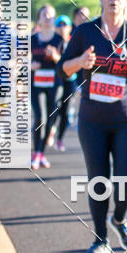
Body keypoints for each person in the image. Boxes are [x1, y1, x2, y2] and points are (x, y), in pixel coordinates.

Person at [59, 0, 127, 253]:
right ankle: (100, 239)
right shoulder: (85, 32)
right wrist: (80, 62)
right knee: (98, 180)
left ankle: (119, 219)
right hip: (93, 118)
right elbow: (64, 68)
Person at [30, 5, 63, 169]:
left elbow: (65, 64)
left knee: (50, 119)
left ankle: (41, 153)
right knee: (39, 117)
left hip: (54, 84)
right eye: (45, 15)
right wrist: (31, 65)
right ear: (39, 19)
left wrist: (55, 56)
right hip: (36, 84)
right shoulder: (32, 39)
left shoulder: (59, 40)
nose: (48, 18)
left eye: (51, 16)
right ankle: (35, 153)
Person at [54, 15, 76, 151]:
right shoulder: (52, 41)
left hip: (70, 81)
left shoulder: (74, 42)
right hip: (55, 80)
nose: (62, 28)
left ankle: (60, 139)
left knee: (65, 112)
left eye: (65, 25)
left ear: (69, 28)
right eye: (59, 25)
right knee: (54, 108)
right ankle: (50, 131)